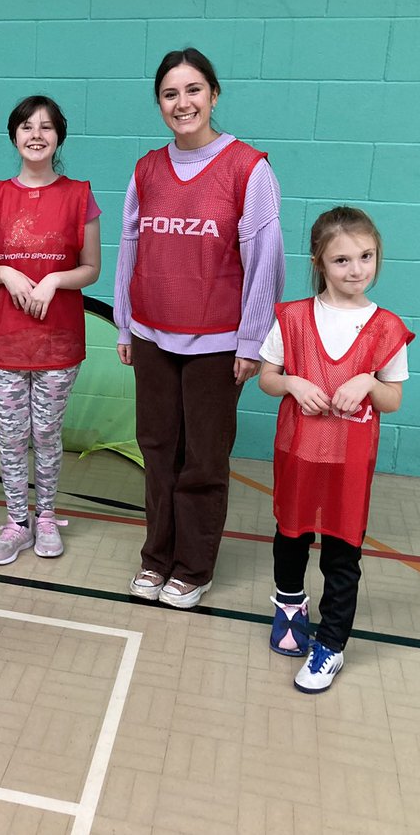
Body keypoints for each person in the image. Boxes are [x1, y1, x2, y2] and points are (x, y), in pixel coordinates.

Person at [115, 47, 285, 608]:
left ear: (214, 95)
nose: (182, 102)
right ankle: (156, 557)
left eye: (193, 90)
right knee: (158, 449)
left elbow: (266, 261)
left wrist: (252, 339)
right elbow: (130, 250)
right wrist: (125, 324)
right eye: (170, 93)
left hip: (218, 344)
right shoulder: (146, 168)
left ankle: (193, 567)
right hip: (153, 336)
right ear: (159, 103)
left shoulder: (248, 168)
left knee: (203, 458)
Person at [258, 206, 413, 693]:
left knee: (343, 555)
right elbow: (266, 379)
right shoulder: (293, 317)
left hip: (349, 461)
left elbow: (394, 399)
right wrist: (291, 383)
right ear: (319, 262)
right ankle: (289, 605)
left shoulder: (386, 327)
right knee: (290, 537)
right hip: (299, 452)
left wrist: (368, 381)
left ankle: (332, 645)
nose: (357, 270)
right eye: (342, 260)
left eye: (366, 256)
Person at [0, 95, 102, 564]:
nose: (36, 135)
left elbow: (91, 269)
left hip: (58, 338)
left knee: (46, 433)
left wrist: (54, 279)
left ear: (59, 137)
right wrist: (4, 273)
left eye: (46, 127)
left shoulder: (79, 195)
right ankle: (16, 521)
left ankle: (44, 516)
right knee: (10, 436)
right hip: (6, 338)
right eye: (27, 126)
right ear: (14, 136)